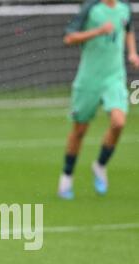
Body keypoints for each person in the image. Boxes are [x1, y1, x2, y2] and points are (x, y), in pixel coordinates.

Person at [58, 0, 139, 199]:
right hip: (89, 79)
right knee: (79, 130)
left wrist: (132, 53)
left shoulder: (124, 8)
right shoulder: (90, 8)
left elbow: (128, 29)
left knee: (118, 122)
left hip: (114, 77)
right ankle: (66, 178)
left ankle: (100, 165)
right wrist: (98, 31)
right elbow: (69, 38)